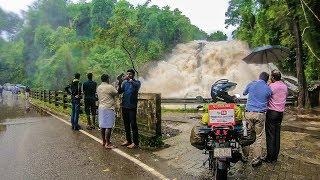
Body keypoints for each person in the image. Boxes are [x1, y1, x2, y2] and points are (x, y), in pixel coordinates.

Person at [242, 72, 272, 167]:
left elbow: (244, 93)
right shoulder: (268, 88)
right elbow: (270, 96)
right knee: (259, 137)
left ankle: (245, 157)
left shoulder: (252, 83)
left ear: (259, 77)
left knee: (246, 134)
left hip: (248, 113)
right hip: (260, 115)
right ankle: (256, 160)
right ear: (267, 80)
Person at [264, 70, 288, 163]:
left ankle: (269, 158)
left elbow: (265, 96)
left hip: (272, 113)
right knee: (277, 135)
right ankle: (275, 157)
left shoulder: (271, 86)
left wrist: (269, 84)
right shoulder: (285, 86)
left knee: (270, 135)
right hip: (280, 114)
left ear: (273, 77)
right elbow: (285, 95)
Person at [118, 69, 141, 149]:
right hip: (124, 106)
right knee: (126, 124)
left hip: (132, 107)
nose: (128, 75)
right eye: (127, 74)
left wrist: (130, 80)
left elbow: (136, 86)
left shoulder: (137, 82)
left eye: (130, 74)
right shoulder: (125, 83)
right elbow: (120, 92)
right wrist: (120, 81)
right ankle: (128, 140)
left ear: (133, 75)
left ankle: (136, 143)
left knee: (133, 124)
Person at [97, 74, 118, 149]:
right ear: (108, 79)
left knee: (102, 125)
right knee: (109, 126)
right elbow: (116, 93)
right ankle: (108, 143)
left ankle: (104, 141)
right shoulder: (110, 87)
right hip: (109, 108)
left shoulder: (99, 87)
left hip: (101, 107)